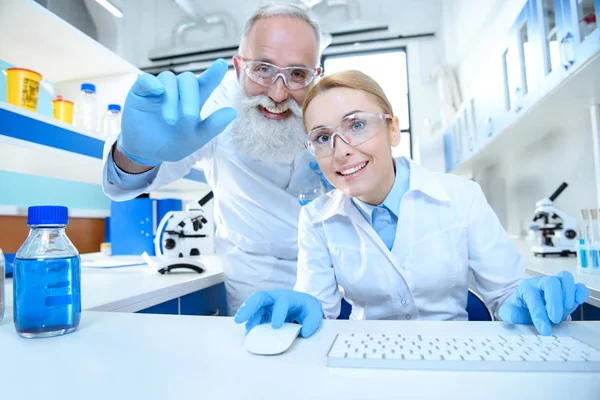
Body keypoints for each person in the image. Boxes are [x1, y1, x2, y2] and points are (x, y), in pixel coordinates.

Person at [234, 70, 590, 338]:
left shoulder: (461, 197)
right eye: (323, 137)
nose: (341, 149)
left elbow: (505, 293)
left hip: (458, 358)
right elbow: (320, 308)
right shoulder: (315, 220)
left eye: (356, 125)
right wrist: (304, 306)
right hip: (366, 360)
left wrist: (524, 300)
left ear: (393, 130)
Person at [102, 4, 329, 315]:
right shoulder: (213, 106)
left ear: (314, 77)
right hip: (254, 280)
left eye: (297, 74)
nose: (278, 93)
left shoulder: (327, 109)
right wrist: (135, 153)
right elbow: (121, 186)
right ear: (238, 68)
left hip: (328, 276)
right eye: (263, 68)